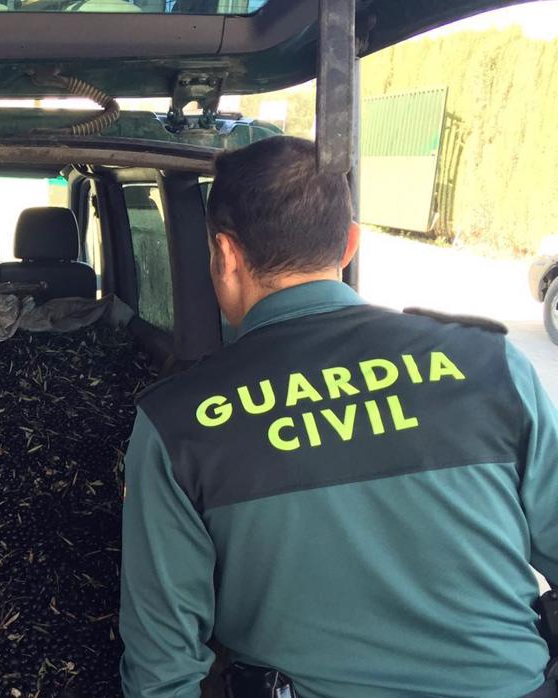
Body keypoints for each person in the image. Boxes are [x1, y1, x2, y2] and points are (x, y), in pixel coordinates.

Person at [119, 135, 558, 698]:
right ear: (348, 244)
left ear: (225, 256)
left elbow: (163, 666)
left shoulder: (175, 424)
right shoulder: (491, 364)